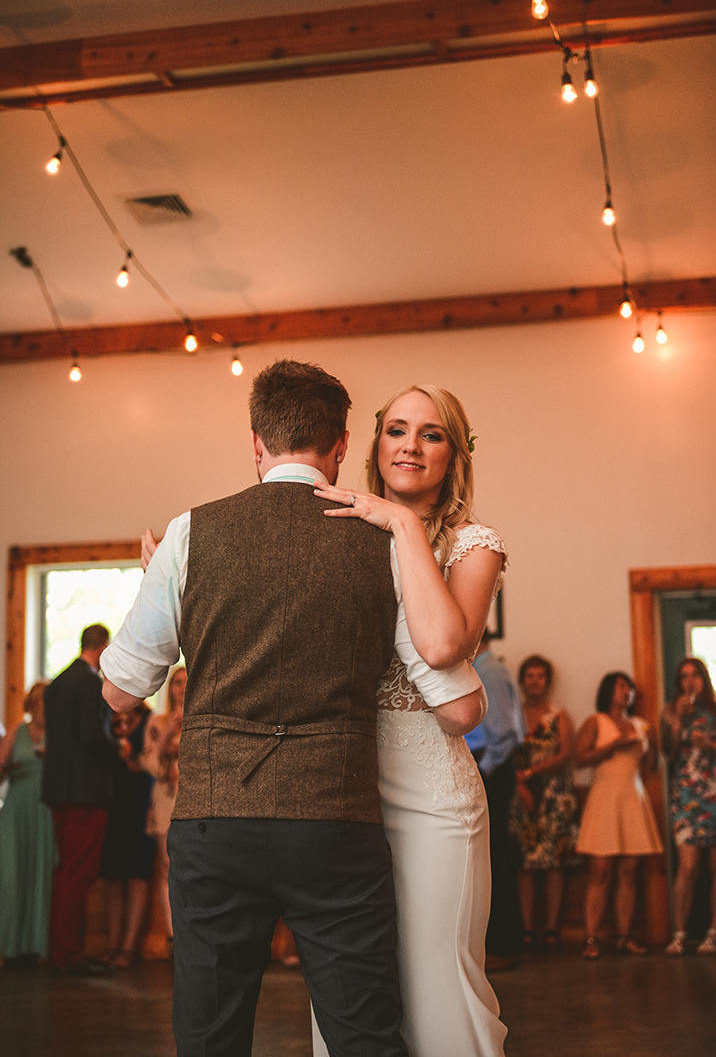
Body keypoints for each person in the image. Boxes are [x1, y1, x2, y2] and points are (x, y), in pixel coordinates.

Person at [100, 360, 483, 1057]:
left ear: (256, 442)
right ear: (341, 444)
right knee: (362, 1032)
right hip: (335, 823)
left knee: (209, 1037)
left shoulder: (190, 534)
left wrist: (168, 594)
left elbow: (122, 691)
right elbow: (456, 706)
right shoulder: (382, 543)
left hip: (215, 823)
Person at [313, 383, 508, 1057]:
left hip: (431, 793)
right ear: (374, 444)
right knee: (344, 987)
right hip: (343, 787)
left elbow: (442, 646)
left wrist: (398, 525)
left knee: (436, 982)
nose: (410, 446)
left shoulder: (473, 544)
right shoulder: (333, 535)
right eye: (397, 429)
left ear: (453, 454)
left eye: (430, 434)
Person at [42, 624, 122, 975]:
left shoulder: (58, 682)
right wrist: (118, 746)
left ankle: (63, 951)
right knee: (78, 874)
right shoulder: (90, 684)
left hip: (60, 789)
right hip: (84, 792)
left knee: (65, 873)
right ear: (103, 648)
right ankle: (67, 955)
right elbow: (92, 736)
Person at [575, 671, 663, 959]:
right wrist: (614, 745)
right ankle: (591, 938)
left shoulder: (641, 725)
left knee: (629, 870)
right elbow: (580, 760)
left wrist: (654, 742)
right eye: (621, 686)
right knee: (600, 870)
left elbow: (651, 767)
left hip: (633, 796)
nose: (627, 691)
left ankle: (624, 937)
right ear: (608, 690)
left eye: (630, 687)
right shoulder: (595, 721)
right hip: (604, 796)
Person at [464, 635, 526, 971]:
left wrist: (483, 771)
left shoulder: (489, 672)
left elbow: (505, 732)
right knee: (490, 856)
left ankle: (504, 943)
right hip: (486, 766)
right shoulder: (483, 669)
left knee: (496, 857)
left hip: (492, 768)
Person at [510, 655, 578, 949]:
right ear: (522, 680)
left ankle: (551, 928)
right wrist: (519, 781)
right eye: (529, 675)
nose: (534, 680)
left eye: (540, 675)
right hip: (521, 795)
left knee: (553, 862)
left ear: (548, 681)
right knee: (524, 863)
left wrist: (530, 773)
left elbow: (565, 755)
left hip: (554, 795)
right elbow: (501, 750)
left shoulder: (558, 715)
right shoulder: (513, 713)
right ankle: (525, 928)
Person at [661, 656, 716, 956]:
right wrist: (675, 723)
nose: (689, 681)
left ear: (704, 678)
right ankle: (680, 934)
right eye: (683, 676)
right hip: (686, 797)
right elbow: (669, 754)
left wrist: (710, 745)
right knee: (688, 866)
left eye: (695, 675)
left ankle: (713, 933)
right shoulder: (671, 712)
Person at [0, 682, 56, 965]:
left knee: (42, 875)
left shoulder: (60, 735)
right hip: (17, 810)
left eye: (49, 700)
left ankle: (38, 947)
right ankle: (8, 946)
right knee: (11, 876)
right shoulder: (14, 731)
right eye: (40, 700)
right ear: (31, 704)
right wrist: (6, 767)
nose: (44, 705)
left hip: (46, 811)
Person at [98, 701, 154, 967]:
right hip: (112, 801)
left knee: (136, 873)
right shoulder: (106, 716)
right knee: (112, 875)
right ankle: (111, 944)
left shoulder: (149, 719)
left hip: (140, 801)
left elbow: (151, 760)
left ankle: (129, 948)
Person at [141, 666, 186, 954]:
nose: (181, 688)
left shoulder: (202, 722)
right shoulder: (156, 721)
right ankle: (172, 937)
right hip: (165, 801)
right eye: (176, 683)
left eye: (185, 683)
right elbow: (150, 764)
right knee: (168, 869)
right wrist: (168, 730)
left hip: (195, 800)